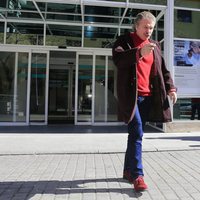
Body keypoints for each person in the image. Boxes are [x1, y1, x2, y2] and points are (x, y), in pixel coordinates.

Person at [112, 11, 177, 192]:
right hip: (131, 97)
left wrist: (171, 88)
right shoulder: (123, 42)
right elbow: (119, 60)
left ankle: (127, 170)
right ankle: (138, 176)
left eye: (151, 28)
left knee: (134, 135)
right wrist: (139, 52)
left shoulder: (155, 45)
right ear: (137, 26)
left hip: (148, 98)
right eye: (145, 27)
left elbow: (163, 69)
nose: (148, 31)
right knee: (138, 132)